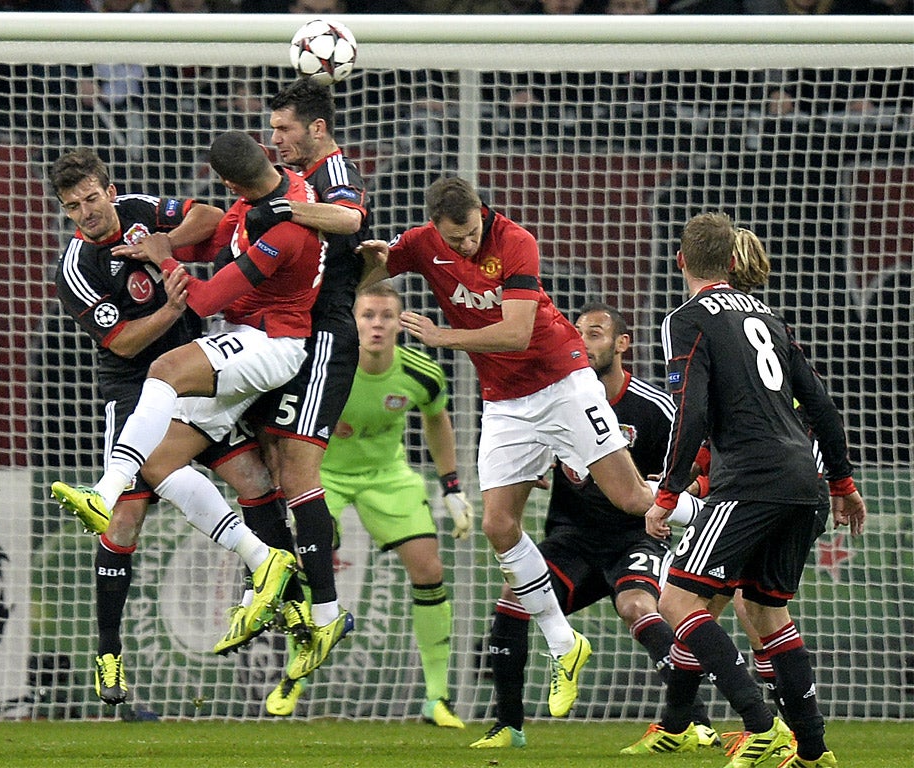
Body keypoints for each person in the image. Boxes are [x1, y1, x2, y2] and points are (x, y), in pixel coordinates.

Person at [357, 177, 656, 719]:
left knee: (632, 498)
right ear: (436, 229)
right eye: (457, 238)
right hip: (507, 401)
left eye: (473, 233)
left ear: (481, 215)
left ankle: (727, 514)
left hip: (561, 381)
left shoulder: (515, 241)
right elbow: (375, 271)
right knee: (498, 525)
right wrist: (354, 264)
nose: (468, 245)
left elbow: (516, 332)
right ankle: (564, 644)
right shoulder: (422, 244)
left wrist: (443, 337)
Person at [52, 131, 332, 696]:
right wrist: (175, 305)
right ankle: (109, 654)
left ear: (110, 189)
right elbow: (125, 343)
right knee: (124, 522)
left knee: (257, 481)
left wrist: (166, 241)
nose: (86, 213)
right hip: (138, 388)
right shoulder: (77, 267)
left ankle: (293, 603)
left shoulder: (139, 212)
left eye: (91, 199)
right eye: (73, 207)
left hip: (203, 373)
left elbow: (208, 217)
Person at [646, 212, 866, 768]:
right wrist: (842, 480)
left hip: (750, 480)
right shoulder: (768, 315)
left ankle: (759, 724)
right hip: (804, 482)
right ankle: (813, 750)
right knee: (767, 613)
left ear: (681, 260)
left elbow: (689, 410)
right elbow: (819, 403)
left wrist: (668, 493)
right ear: (732, 261)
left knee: (676, 599)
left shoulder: (687, 318)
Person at [471, 303, 716, 751]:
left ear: (623, 344)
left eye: (597, 333)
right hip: (573, 538)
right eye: (578, 333)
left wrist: (683, 489)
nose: (584, 341)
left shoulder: (654, 407)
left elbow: (701, 460)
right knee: (513, 600)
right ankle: (508, 725)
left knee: (639, 607)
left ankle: (692, 721)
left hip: (634, 537)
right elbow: (520, 445)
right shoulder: (552, 399)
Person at [216, 78, 374, 712]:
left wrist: (285, 207)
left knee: (299, 467)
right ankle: (287, 598)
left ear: (315, 128)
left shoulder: (331, 170)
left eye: (283, 130)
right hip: (282, 333)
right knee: (261, 470)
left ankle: (327, 609)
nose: (274, 140)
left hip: (327, 337)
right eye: (271, 131)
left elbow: (350, 218)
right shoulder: (287, 180)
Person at [292, 281, 473, 727]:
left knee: (429, 570)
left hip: (387, 476)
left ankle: (436, 698)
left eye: (385, 316)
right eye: (367, 315)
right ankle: (293, 676)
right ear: (353, 321)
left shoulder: (421, 373)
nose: (376, 325)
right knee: (304, 562)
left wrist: (452, 486)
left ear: (400, 323)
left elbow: (437, 420)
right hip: (325, 473)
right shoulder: (327, 364)